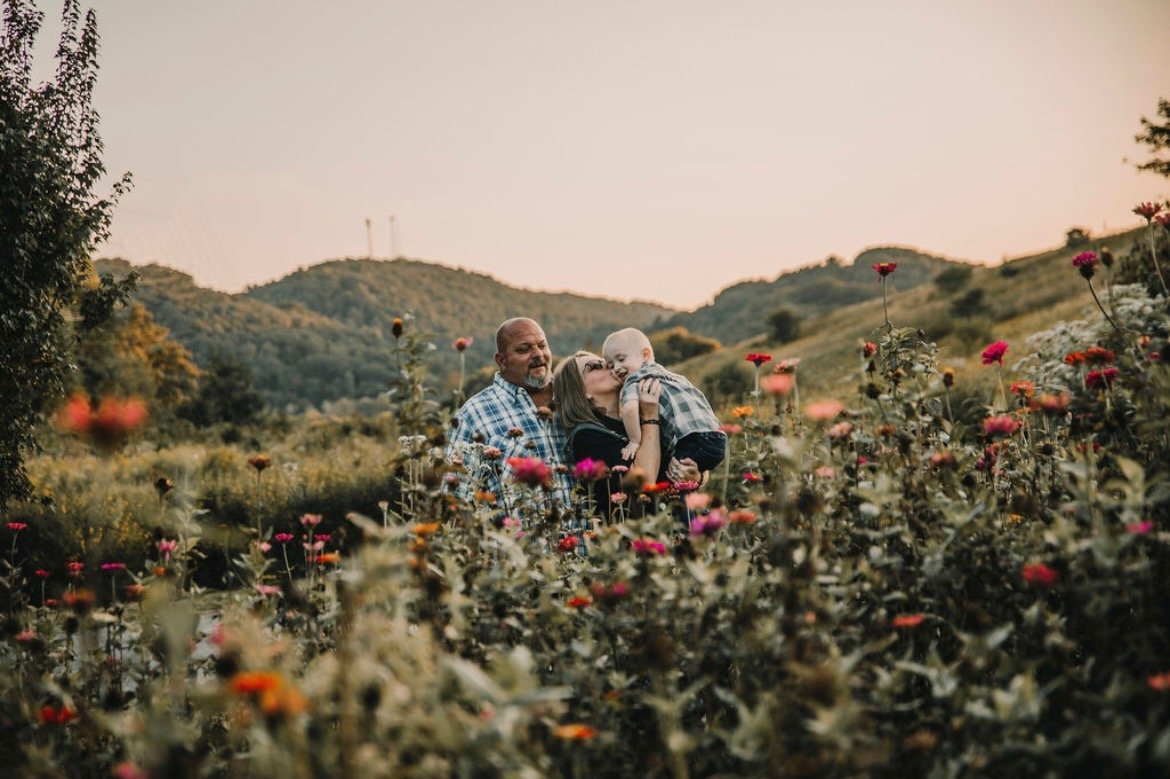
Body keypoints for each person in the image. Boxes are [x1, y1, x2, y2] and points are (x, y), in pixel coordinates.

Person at [552, 350, 700, 518]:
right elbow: (644, 483)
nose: (609, 366)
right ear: (580, 391)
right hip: (644, 538)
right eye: (594, 367)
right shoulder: (586, 437)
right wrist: (650, 416)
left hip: (683, 527)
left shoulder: (634, 420)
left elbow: (688, 458)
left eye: (606, 361)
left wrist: (694, 474)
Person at [446, 317, 572, 506]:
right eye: (524, 349)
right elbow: (454, 501)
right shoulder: (473, 416)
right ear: (502, 361)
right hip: (515, 534)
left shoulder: (574, 396)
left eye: (542, 345)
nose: (538, 354)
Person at [601, 327, 726, 472]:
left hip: (691, 441)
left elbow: (629, 410)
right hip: (717, 437)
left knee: (670, 475)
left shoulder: (634, 379)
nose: (616, 367)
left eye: (621, 359)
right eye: (610, 365)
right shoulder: (673, 376)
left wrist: (634, 441)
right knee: (686, 475)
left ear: (645, 355)